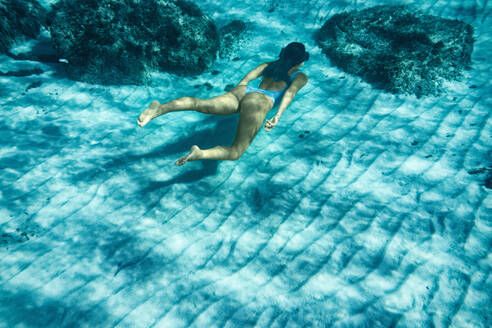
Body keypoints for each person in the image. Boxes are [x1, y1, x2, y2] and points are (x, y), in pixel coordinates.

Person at [137, 42, 309, 165]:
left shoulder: (269, 65)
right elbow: (289, 95)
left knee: (199, 103)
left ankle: (159, 109)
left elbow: (246, 80)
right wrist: (277, 116)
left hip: (244, 92)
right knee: (235, 152)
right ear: (300, 61)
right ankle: (201, 153)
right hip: (259, 103)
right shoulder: (300, 76)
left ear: (282, 53)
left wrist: (238, 94)